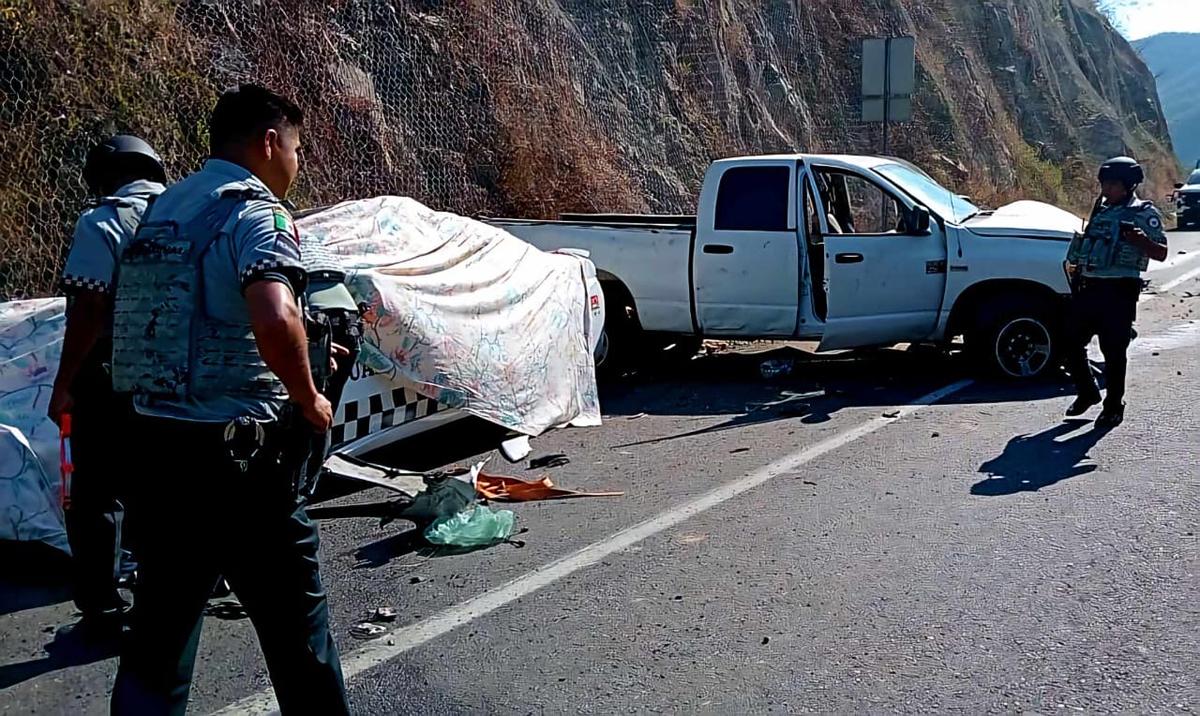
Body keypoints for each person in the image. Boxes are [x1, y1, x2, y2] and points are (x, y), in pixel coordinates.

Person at [109, 84, 349, 714]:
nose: (296, 163)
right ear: (270, 143)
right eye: (296, 148)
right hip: (241, 464)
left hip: (158, 451)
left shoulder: (162, 211)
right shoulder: (256, 213)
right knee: (300, 638)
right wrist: (309, 398)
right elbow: (274, 317)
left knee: (159, 636)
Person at [48, 135, 167, 633]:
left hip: (112, 374)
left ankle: (101, 607)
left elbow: (91, 309)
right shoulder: (189, 211)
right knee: (162, 483)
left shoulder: (102, 222)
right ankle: (167, 594)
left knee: (93, 493)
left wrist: (64, 383)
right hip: (179, 375)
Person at [1063, 156, 1168, 428]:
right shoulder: (1102, 210)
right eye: (1104, 183)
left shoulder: (1143, 213)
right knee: (1070, 342)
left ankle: (1114, 404)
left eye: (1112, 184)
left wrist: (1141, 240)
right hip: (1089, 287)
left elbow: (1162, 252)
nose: (1106, 189)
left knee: (1113, 351)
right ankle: (1087, 392)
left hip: (1119, 291)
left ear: (1128, 185)